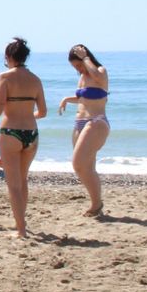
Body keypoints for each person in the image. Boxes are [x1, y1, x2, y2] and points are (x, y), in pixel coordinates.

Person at [0, 37, 46, 239]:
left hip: (10, 131)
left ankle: (21, 229)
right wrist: (27, 114)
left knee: (13, 183)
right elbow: (43, 111)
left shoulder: (4, 77)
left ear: (9, 56)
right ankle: (21, 222)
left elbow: (0, 106)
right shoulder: (35, 79)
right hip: (31, 132)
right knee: (22, 179)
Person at [59, 43, 110, 217]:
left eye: (79, 65)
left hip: (96, 121)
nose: (79, 69)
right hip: (79, 123)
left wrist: (86, 58)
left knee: (78, 163)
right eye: (75, 67)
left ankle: (96, 204)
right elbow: (84, 97)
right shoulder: (82, 77)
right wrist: (67, 99)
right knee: (85, 167)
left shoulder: (100, 71)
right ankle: (96, 204)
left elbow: (98, 80)